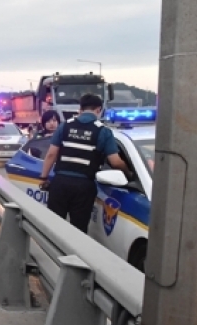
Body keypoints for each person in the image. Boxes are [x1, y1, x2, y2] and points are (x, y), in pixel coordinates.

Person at [38, 94, 133, 233]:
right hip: (84, 187)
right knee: (79, 229)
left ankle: (53, 254)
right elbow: (116, 162)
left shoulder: (65, 126)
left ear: (80, 108)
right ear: (99, 109)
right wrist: (129, 173)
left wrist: (43, 178)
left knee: (54, 227)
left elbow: (51, 154)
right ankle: (74, 254)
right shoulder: (103, 131)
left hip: (60, 183)